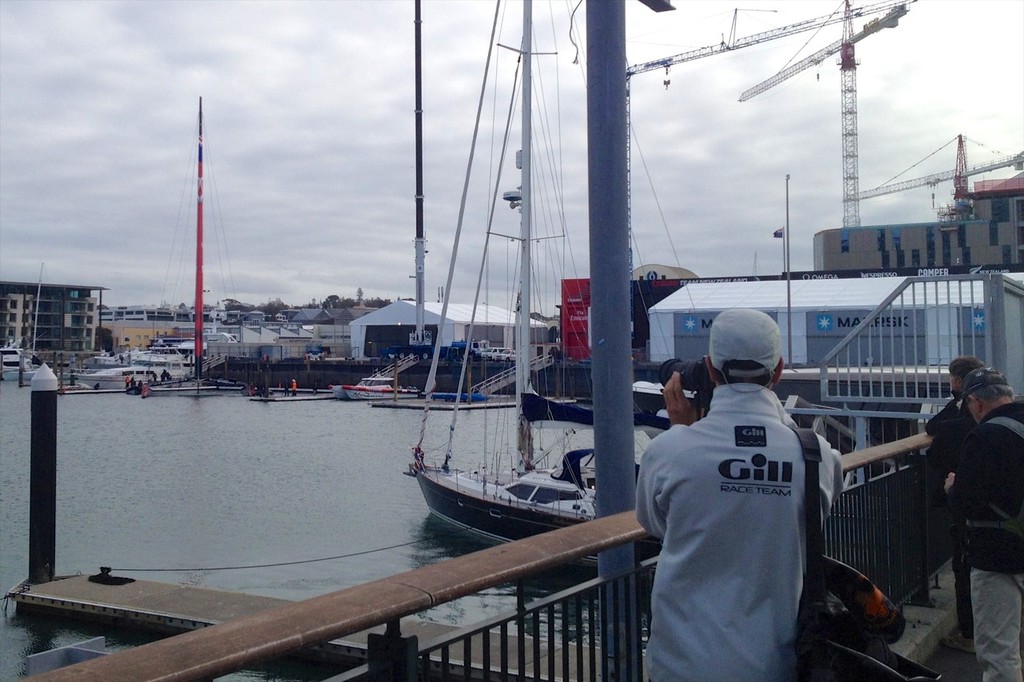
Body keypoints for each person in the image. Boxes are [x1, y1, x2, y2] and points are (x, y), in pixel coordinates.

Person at [636, 308, 844, 682]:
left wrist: (682, 431)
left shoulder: (669, 452)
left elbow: (656, 523)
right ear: (778, 371)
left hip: (681, 664)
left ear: (711, 371)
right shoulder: (818, 457)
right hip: (776, 664)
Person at [945, 367, 1024, 682]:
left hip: (997, 559)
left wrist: (952, 486)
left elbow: (964, 502)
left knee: (1000, 654)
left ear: (975, 402)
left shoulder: (984, 436)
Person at [926, 354, 985, 653]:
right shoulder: (992, 419)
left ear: (959, 381)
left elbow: (932, 428)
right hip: (995, 509)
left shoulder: (955, 426)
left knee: (964, 564)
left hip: (963, 501)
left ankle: (969, 633)